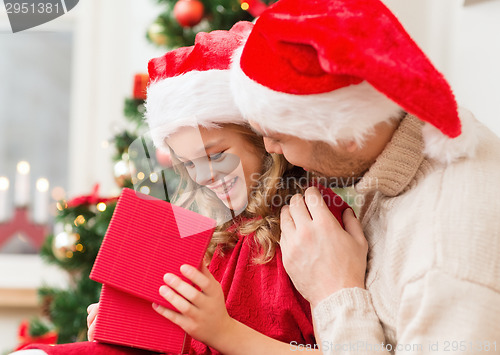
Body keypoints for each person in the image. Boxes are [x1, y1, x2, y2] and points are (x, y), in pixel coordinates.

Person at [13, 22, 351, 355]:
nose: (203, 176)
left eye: (216, 155)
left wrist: (222, 331)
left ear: (262, 139)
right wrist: (125, 330)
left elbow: (348, 348)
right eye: (189, 164)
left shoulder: (313, 221)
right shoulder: (199, 232)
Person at [230, 0, 500, 354]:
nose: (271, 149)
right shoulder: (400, 144)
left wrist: (334, 291)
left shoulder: (444, 261)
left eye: (279, 136)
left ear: (344, 133)